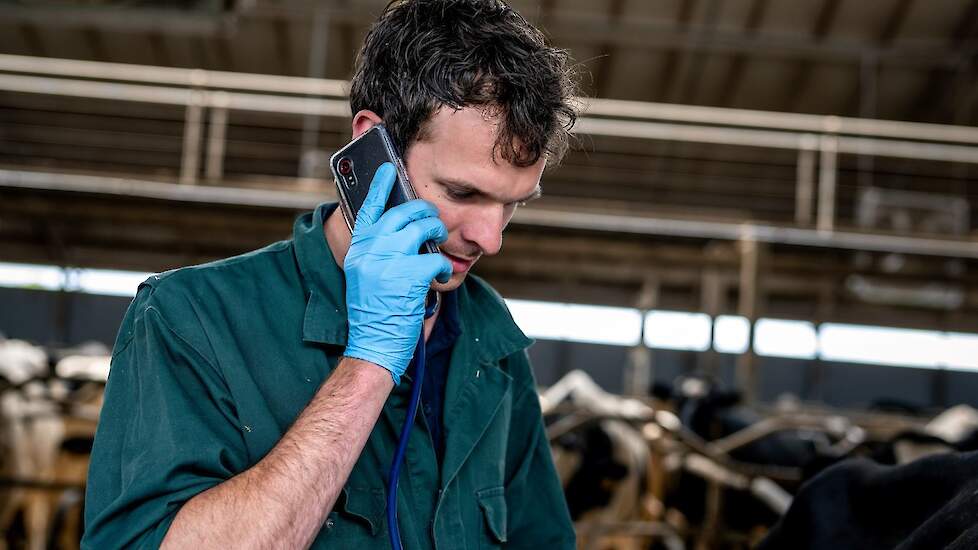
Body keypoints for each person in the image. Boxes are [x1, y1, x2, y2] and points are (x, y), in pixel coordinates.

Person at [82, 0, 579, 548]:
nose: (490, 239)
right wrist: (368, 363)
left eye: (513, 204)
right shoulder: (190, 318)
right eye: (462, 193)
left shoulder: (488, 335)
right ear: (373, 146)